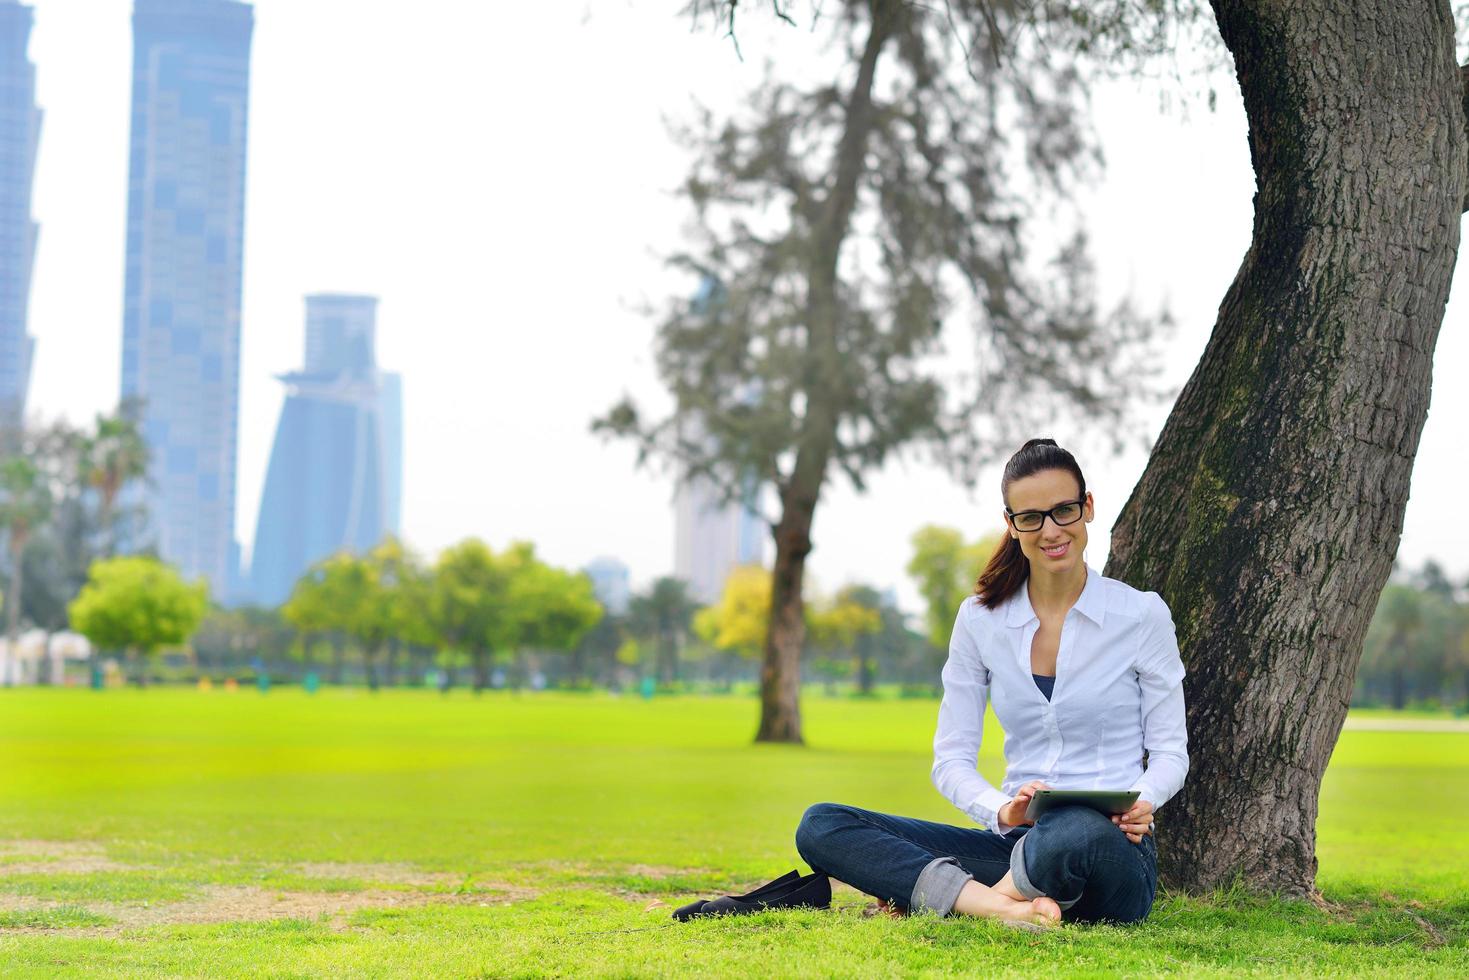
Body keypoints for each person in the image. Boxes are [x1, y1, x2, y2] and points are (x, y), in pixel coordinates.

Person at [795, 438, 1188, 925]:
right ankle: (999, 907)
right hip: (1014, 845)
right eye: (1031, 518)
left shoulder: (1141, 614)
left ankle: (968, 900)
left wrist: (1143, 800)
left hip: (1111, 851)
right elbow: (951, 760)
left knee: (1071, 829)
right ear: (1011, 524)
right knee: (823, 824)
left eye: (1063, 510)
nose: (1050, 531)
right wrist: (1005, 811)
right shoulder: (980, 620)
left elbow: (1171, 751)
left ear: (1087, 508)